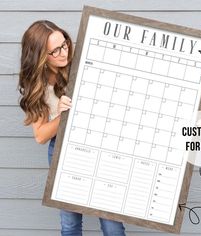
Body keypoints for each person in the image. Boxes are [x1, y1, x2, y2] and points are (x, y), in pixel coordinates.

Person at [18, 20, 126, 236]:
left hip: (97, 145)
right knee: (70, 224)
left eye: (64, 44)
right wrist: (62, 114)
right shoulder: (36, 85)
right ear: (39, 55)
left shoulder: (82, 64)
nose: (63, 52)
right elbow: (40, 136)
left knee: (112, 223)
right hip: (62, 151)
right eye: (54, 50)